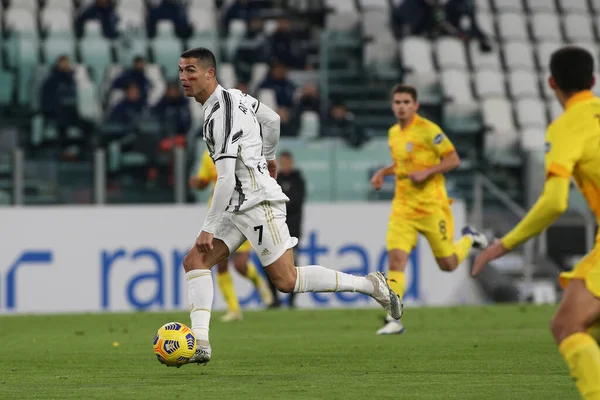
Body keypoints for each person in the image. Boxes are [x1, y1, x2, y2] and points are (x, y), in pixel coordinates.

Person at [176, 47, 402, 366]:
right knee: (195, 262)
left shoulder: (221, 116)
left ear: (209, 74)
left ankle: (370, 285)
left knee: (287, 281)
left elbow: (225, 179)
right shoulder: (236, 97)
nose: (183, 78)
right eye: (181, 71)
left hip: (256, 202)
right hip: (239, 203)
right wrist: (269, 157)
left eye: (191, 71)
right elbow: (272, 119)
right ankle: (200, 343)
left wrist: (208, 228)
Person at [472, 46, 600, 399]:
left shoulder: (566, 127)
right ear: (592, 80)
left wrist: (504, 243)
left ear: (551, 83)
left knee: (567, 324)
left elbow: (555, 202)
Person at [370, 84, 488, 336]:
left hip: (432, 208)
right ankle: (394, 319)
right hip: (403, 208)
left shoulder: (428, 130)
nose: (401, 106)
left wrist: (428, 171)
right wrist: (383, 172)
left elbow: (453, 159)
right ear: (393, 106)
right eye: (397, 102)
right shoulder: (393, 133)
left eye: (405, 102)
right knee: (396, 260)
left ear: (415, 105)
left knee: (448, 263)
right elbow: (402, 164)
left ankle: (469, 238)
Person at [189, 148, 274, 322]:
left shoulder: (243, 149)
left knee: (241, 265)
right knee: (219, 264)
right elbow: (204, 182)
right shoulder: (208, 154)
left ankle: (258, 282)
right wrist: (198, 183)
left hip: (242, 212)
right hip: (218, 215)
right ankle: (234, 310)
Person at [268, 150, 306, 308]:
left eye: (287, 162)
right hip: (274, 227)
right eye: (282, 162)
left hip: (292, 229)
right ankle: (274, 298)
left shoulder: (298, 180)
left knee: (292, 264)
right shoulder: (273, 179)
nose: (285, 165)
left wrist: (279, 205)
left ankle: (292, 301)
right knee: (270, 263)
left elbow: (296, 202)